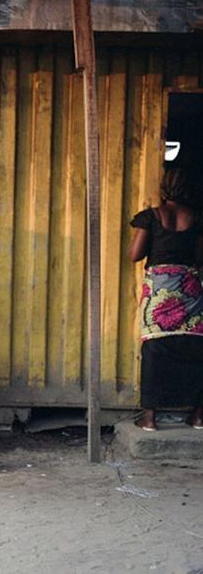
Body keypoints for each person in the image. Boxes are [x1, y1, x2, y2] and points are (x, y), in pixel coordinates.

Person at [129, 166, 203, 431]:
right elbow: (199, 257)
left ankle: (149, 417)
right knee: (196, 347)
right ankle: (198, 416)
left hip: (160, 288)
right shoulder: (196, 218)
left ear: (164, 188)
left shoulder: (151, 217)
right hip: (189, 287)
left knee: (154, 347)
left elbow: (135, 255)